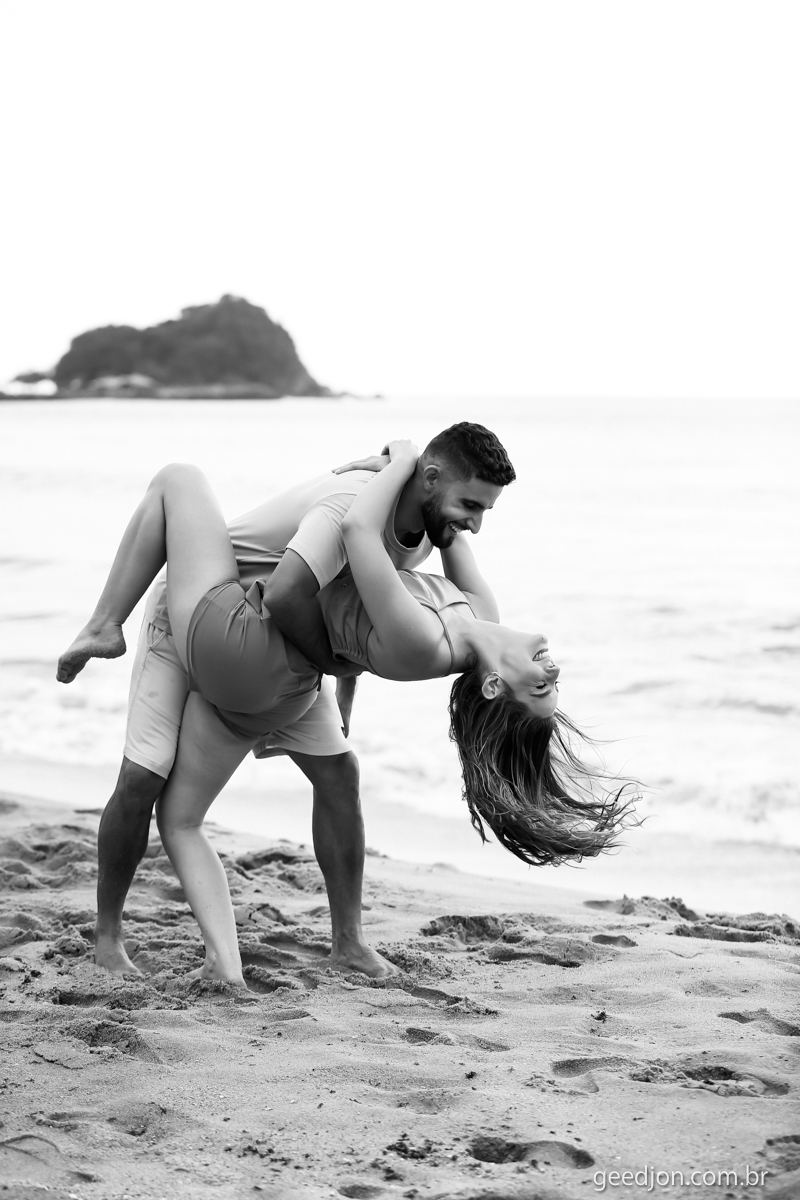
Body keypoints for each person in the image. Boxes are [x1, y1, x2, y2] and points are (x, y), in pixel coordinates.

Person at [58, 439, 635, 987]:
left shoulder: (427, 642)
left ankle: (105, 623)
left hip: (245, 640)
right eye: (471, 507)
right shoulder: (479, 616)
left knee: (179, 478)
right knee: (319, 778)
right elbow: (386, 577)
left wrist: (404, 456)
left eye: (541, 687)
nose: (554, 669)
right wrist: (420, 480)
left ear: (492, 685)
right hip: (273, 655)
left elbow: (350, 553)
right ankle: (275, 955)